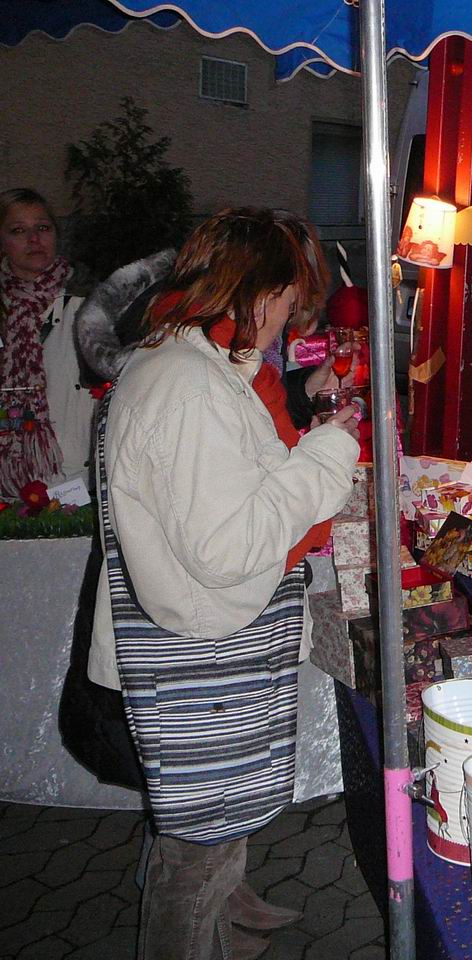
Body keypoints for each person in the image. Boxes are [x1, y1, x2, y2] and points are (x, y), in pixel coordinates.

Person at [87, 208, 360, 960]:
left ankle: (218, 935)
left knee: (208, 833)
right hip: (201, 653)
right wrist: (330, 451)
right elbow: (229, 545)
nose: (285, 321)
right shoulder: (187, 383)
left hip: (204, 644)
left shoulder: (192, 364)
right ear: (257, 290)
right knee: (196, 853)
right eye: (286, 300)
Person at [0, 188, 95, 497]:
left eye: (43, 227)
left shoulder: (89, 304)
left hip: (80, 481)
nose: (34, 239)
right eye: (18, 230)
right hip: (10, 486)